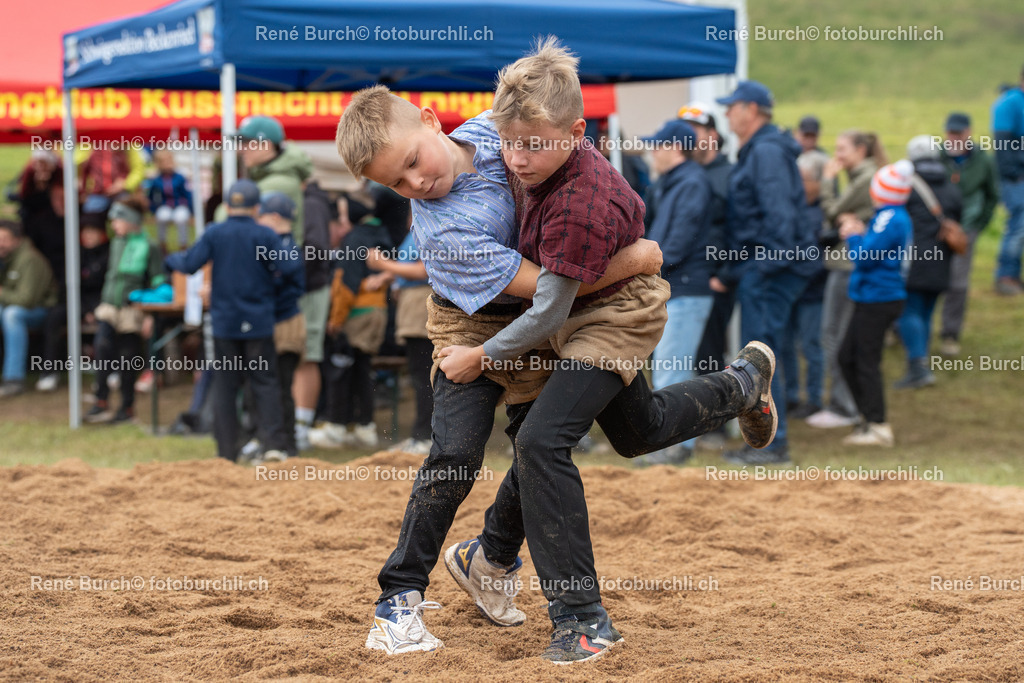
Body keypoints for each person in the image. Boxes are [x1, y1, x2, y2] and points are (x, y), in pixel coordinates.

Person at [335, 70, 776, 662]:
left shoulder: (499, 134)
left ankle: (490, 560)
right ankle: (399, 598)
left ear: (433, 121)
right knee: (457, 452)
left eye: (414, 160)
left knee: (562, 443)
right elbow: (548, 289)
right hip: (475, 328)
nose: (417, 182)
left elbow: (553, 120)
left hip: (547, 321)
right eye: (398, 184)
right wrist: (640, 255)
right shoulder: (444, 230)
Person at [714, 80, 819, 465]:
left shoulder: (767, 153)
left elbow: (780, 218)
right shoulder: (764, 150)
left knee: (761, 359)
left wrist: (761, 267)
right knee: (771, 354)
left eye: (732, 107)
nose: (727, 114)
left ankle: (772, 446)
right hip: (774, 265)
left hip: (773, 268)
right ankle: (769, 443)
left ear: (751, 110)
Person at [165, 180, 302, 462]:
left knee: (226, 386)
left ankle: (227, 451)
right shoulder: (264, 234)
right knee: (265, 383)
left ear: (227, 206)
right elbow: (290, 266)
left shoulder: (215, 233)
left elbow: (190, 264)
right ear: (255, 208)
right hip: (259, 322)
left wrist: (169, 259)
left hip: (225, 324)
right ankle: (273, 445)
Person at [636, 118, 715, 465]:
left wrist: (645, 267)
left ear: (674, 148)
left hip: (685, 288)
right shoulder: (674, 182)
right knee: (671, 366)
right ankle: (675, 445)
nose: (652, 152)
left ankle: (674, 448)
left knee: (673, 368)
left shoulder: (691, 183)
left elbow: (678, 243)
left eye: (657, 145)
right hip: (676, 288)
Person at [806, 130, 886, 430]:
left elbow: (831, 211)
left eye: (842, 149)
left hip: (846, 265)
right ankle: (845, 405)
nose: (836, 156)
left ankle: (843, 407)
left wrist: (828, 180)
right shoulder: (864, 175)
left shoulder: (865, 178)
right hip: (848, 264)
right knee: (839, 336)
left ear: (861, 150)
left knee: (835, 336)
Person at [837, 161, 915, 447]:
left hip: (878, 298)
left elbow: (866, 257)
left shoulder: (889, 217)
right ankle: (868, 418)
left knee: (864, 361)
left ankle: (877, 425)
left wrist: (853, 236)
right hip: (874, 297)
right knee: (848, 357)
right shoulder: (891, 216)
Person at [682, 104, 735, 451]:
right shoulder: (686, 173)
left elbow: (741, 228)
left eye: (695, 131)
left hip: (715, 278)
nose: (687, 137)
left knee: (712, 352)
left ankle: (715, 427)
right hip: (689, 279)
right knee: (690, 353)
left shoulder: (728, 175)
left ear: (712, 136)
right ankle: (692, 423)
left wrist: (726, 274)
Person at [84, 198, 165, 422]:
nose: (113, 224)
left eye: (117, 219)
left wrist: (150, 314)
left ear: (131, 221)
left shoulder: (150, 246)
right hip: (109, 307)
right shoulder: (116, 242)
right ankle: (101, 400)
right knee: (102, 348)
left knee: (128, 358)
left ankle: (127, 407)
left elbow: (158, 282)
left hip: (132, 311)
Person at [893, 136, 961, 390]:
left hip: (914, 261)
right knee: (926, 312)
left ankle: (917, 367)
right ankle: (921, 363)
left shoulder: (906, 186)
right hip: (942, 260)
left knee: (909, 311)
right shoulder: (952, 186)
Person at [938, 113, 1000, 354]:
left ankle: (950, 334)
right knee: (921, 277)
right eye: (950, 133)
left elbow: (992, 196)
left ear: (968, 132)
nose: (954, 138)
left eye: (959, 134)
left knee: (958, 283)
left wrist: (977, 224)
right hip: (935, 229)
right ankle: (906, 329)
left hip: (966, 229)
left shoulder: (983, 160)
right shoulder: (937, 157)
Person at [367, 232, 434, 455]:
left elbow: (425, 269)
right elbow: (409, 264)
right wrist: (387, 276)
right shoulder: (419, 224)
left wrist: (383, 264)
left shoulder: (431, 223)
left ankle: (425, 437)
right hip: (412, 307)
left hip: (421, 307)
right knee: (419, 373)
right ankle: (421, 435)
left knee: (426, 375)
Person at [257, 192, 307, 457]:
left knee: (279, 386)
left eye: (261, 216)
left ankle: (286, 444)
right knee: (272, 386)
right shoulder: (280, 245)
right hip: (275, 322)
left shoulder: (285, 248)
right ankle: (274, 440)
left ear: (274, 217)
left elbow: (287, 273)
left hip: (285, 324)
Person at [37, 218, 110, 392]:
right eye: (86, 231)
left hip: (100, 301)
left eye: (93, 231)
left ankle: (108, 370)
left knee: (106, 317)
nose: (89, 236)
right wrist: (84, 310)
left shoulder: (109, 253)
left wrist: (92, 309)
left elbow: (106, 286)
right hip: (76, 302)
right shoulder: (74, 253)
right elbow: (67, 286)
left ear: (102, 234)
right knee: (54, 316)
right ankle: (49, 371)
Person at [781, 154, 828, 420]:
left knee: (811, 345)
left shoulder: (826, 211)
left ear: (819, 183)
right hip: (790, 289)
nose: (799, 185)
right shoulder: (793, 208)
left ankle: (815, 398)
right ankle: (791, 396)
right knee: (786, 344)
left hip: (814, 292)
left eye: (805, 180)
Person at [292, 180, 336, 451]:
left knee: (307, 356)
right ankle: (295, 423)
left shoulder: (312, 203)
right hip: (299, 290)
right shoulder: (305, 200)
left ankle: (301, 425)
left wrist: (288, 275)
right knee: (295, 357)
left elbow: (317, 249)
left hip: (309, 290)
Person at [0, 220, 58, 398]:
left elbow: (26, 300)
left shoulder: (29, 259)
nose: (0, 244)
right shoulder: (6, 258)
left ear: (17, 239)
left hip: (40, 311)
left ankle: (13, 378)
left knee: (12, 315)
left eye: (4, 239)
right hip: (14, 307)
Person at [237, 115, 313, 243]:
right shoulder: (267, 175)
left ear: (266, 145)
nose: (241, 149)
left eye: (247, 142)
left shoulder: (282, 181)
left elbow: (229, 215)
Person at [991, 64, 1024, 296]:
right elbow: (1002, 143)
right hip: (1014, 177)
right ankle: (1006, 276)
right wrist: (1013, 174)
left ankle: (1013, 274)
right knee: (1018, 225)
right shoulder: (1009, 103)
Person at [145, 149, 193, 252]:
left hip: (180, 205)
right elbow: (152, 196)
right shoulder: (157, 179)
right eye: (164, 161)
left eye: (169, 160)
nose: (167, 164)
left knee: (181, 218)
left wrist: (191, 209)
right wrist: (153, 209)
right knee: (162, 216)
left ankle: (183, 245)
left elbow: (187, 194)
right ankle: (162, 246)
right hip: (165, 206)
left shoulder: (179, 177)